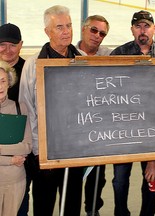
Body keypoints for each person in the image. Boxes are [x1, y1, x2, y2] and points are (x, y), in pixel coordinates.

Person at [19, 5, 84, 216]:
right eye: (59, 27)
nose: (66, 31)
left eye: (69, 25)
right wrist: (38, 150)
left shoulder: (83, 59)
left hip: (76, 151)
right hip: (45, 153)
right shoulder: (33, 64)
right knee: (44, 205)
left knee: (72, 204)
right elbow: (26, 108)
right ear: (47, 31)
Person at [110, 10, 155, 216]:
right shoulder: (119, 54)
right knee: (119, 180)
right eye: (138, 26)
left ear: (154, 28)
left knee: (151, 178)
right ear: (132, 29)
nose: (142, 30)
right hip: (124, 128)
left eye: (146, 26)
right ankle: (121, 212)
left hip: (153, 129)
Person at [77, 14, 112, 216]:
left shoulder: (109, 55)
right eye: (94, 30)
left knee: (98, 176)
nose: (97, 36)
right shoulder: (68, 54)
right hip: (75, 126)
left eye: (102, 33)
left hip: (99, 128)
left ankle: (93, 209)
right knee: (73, 176)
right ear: (84, 29)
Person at [0, 22, 31, 216]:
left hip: (21, 165)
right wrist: (10, 159)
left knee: (21, 205)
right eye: (3, 44)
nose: (8, 50)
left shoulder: (29, 69)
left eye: (13, 45)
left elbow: (26, 144)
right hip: (13, 160)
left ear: (21, 45)